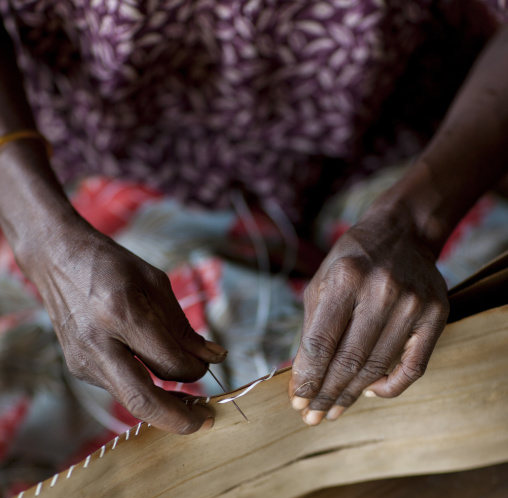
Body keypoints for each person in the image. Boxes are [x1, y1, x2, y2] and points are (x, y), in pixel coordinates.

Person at [0, 0, 507, 437]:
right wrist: (43, 239)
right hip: (113, 168)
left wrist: (414, 223)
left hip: (421, 145)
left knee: (466, 353)